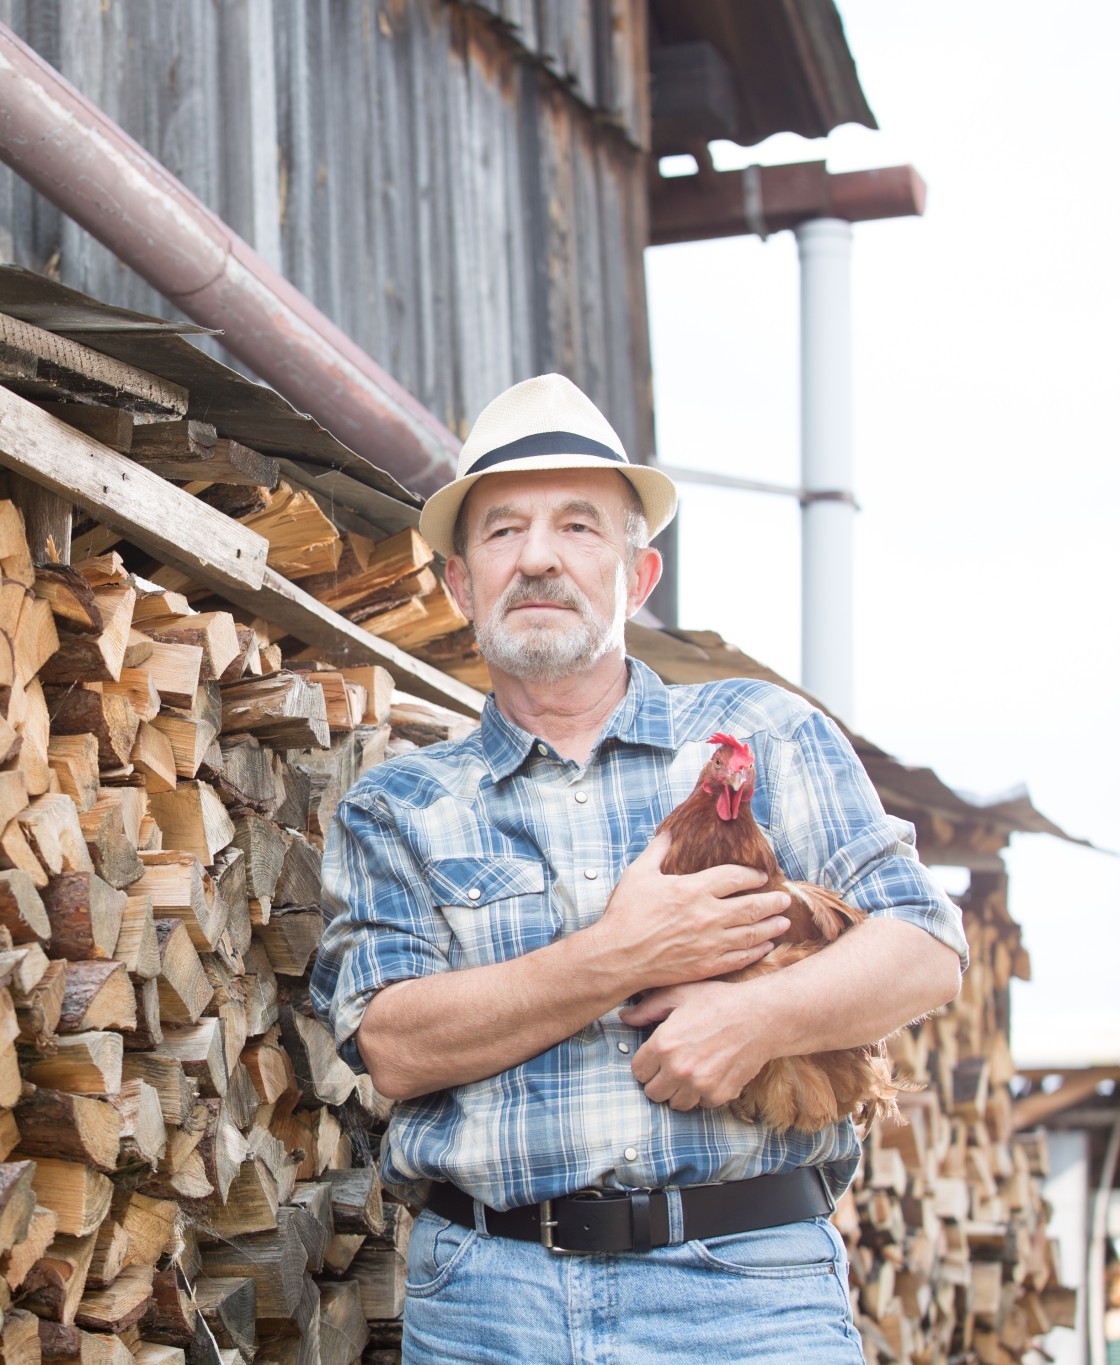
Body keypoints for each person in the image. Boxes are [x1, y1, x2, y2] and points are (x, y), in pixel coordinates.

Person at [309, 374, 966, 1363]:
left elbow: (922, 947)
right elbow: (392, 1047)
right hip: (490, 1302)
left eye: (577, 527)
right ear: (456, 585)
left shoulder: (764, 734)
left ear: (636, 574)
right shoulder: (395, 804)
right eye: (500, 533)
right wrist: (620, 954)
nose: (535, 557)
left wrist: (756, 1016)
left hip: (744, 1292)